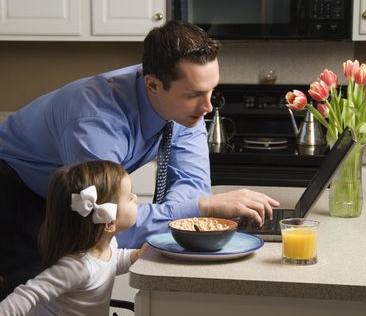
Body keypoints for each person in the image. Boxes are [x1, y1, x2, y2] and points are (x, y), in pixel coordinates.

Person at [0, 20, 280, 298]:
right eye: (195, 95)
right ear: (153, 85)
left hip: (69, 194)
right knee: (31, 301)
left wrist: (193, 212)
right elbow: (105, 224)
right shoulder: (94, 122)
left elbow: (191, 185)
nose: (207, 106)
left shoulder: (183, 106)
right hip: (15, 190)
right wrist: (202, 208)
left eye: (212, 91)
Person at [0, 160, 148, 316]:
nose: (135, 198)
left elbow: (111, 262)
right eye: (129, 197)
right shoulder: (77, 267)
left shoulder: (107, 245)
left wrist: (135, 256)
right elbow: (27, 295)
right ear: (109, 223)